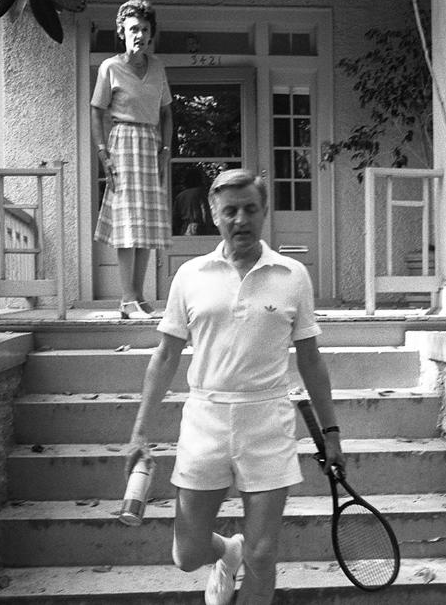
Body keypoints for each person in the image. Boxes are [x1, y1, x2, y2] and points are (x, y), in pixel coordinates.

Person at [125, 169, 345, 605]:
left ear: (264, 212)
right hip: (204, 418)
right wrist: (140, 430)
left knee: (264, 556)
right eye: (230, 211)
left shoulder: (292, 274)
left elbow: (311, 360)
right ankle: (229, 550)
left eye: (250, 209)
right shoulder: (190, 274)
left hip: (267, 421)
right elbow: (165, 356)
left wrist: (332, 432)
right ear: (214, 214)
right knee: (186, 554)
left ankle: (247, 556)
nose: (240, 219)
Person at [91, 0, 173, 320]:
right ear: (122, 32)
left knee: (147, 225)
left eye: (144, 29)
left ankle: (138, 297)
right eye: (133, 29)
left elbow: (166, 113)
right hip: (123, 143)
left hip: (151, 145)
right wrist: (102, 153)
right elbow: (97, 111)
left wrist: (166, 149)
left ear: (151, 33)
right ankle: (126, 298)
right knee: (127, 223)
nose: (139, 34)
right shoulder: (110, 68)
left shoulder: (158, 67)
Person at [172, 170, 214, 236]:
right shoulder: (202, 193)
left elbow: (176, 218)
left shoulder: (180, 196)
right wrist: (208, 228)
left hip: (185, 228)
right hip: (200, 227)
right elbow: (205, 212)